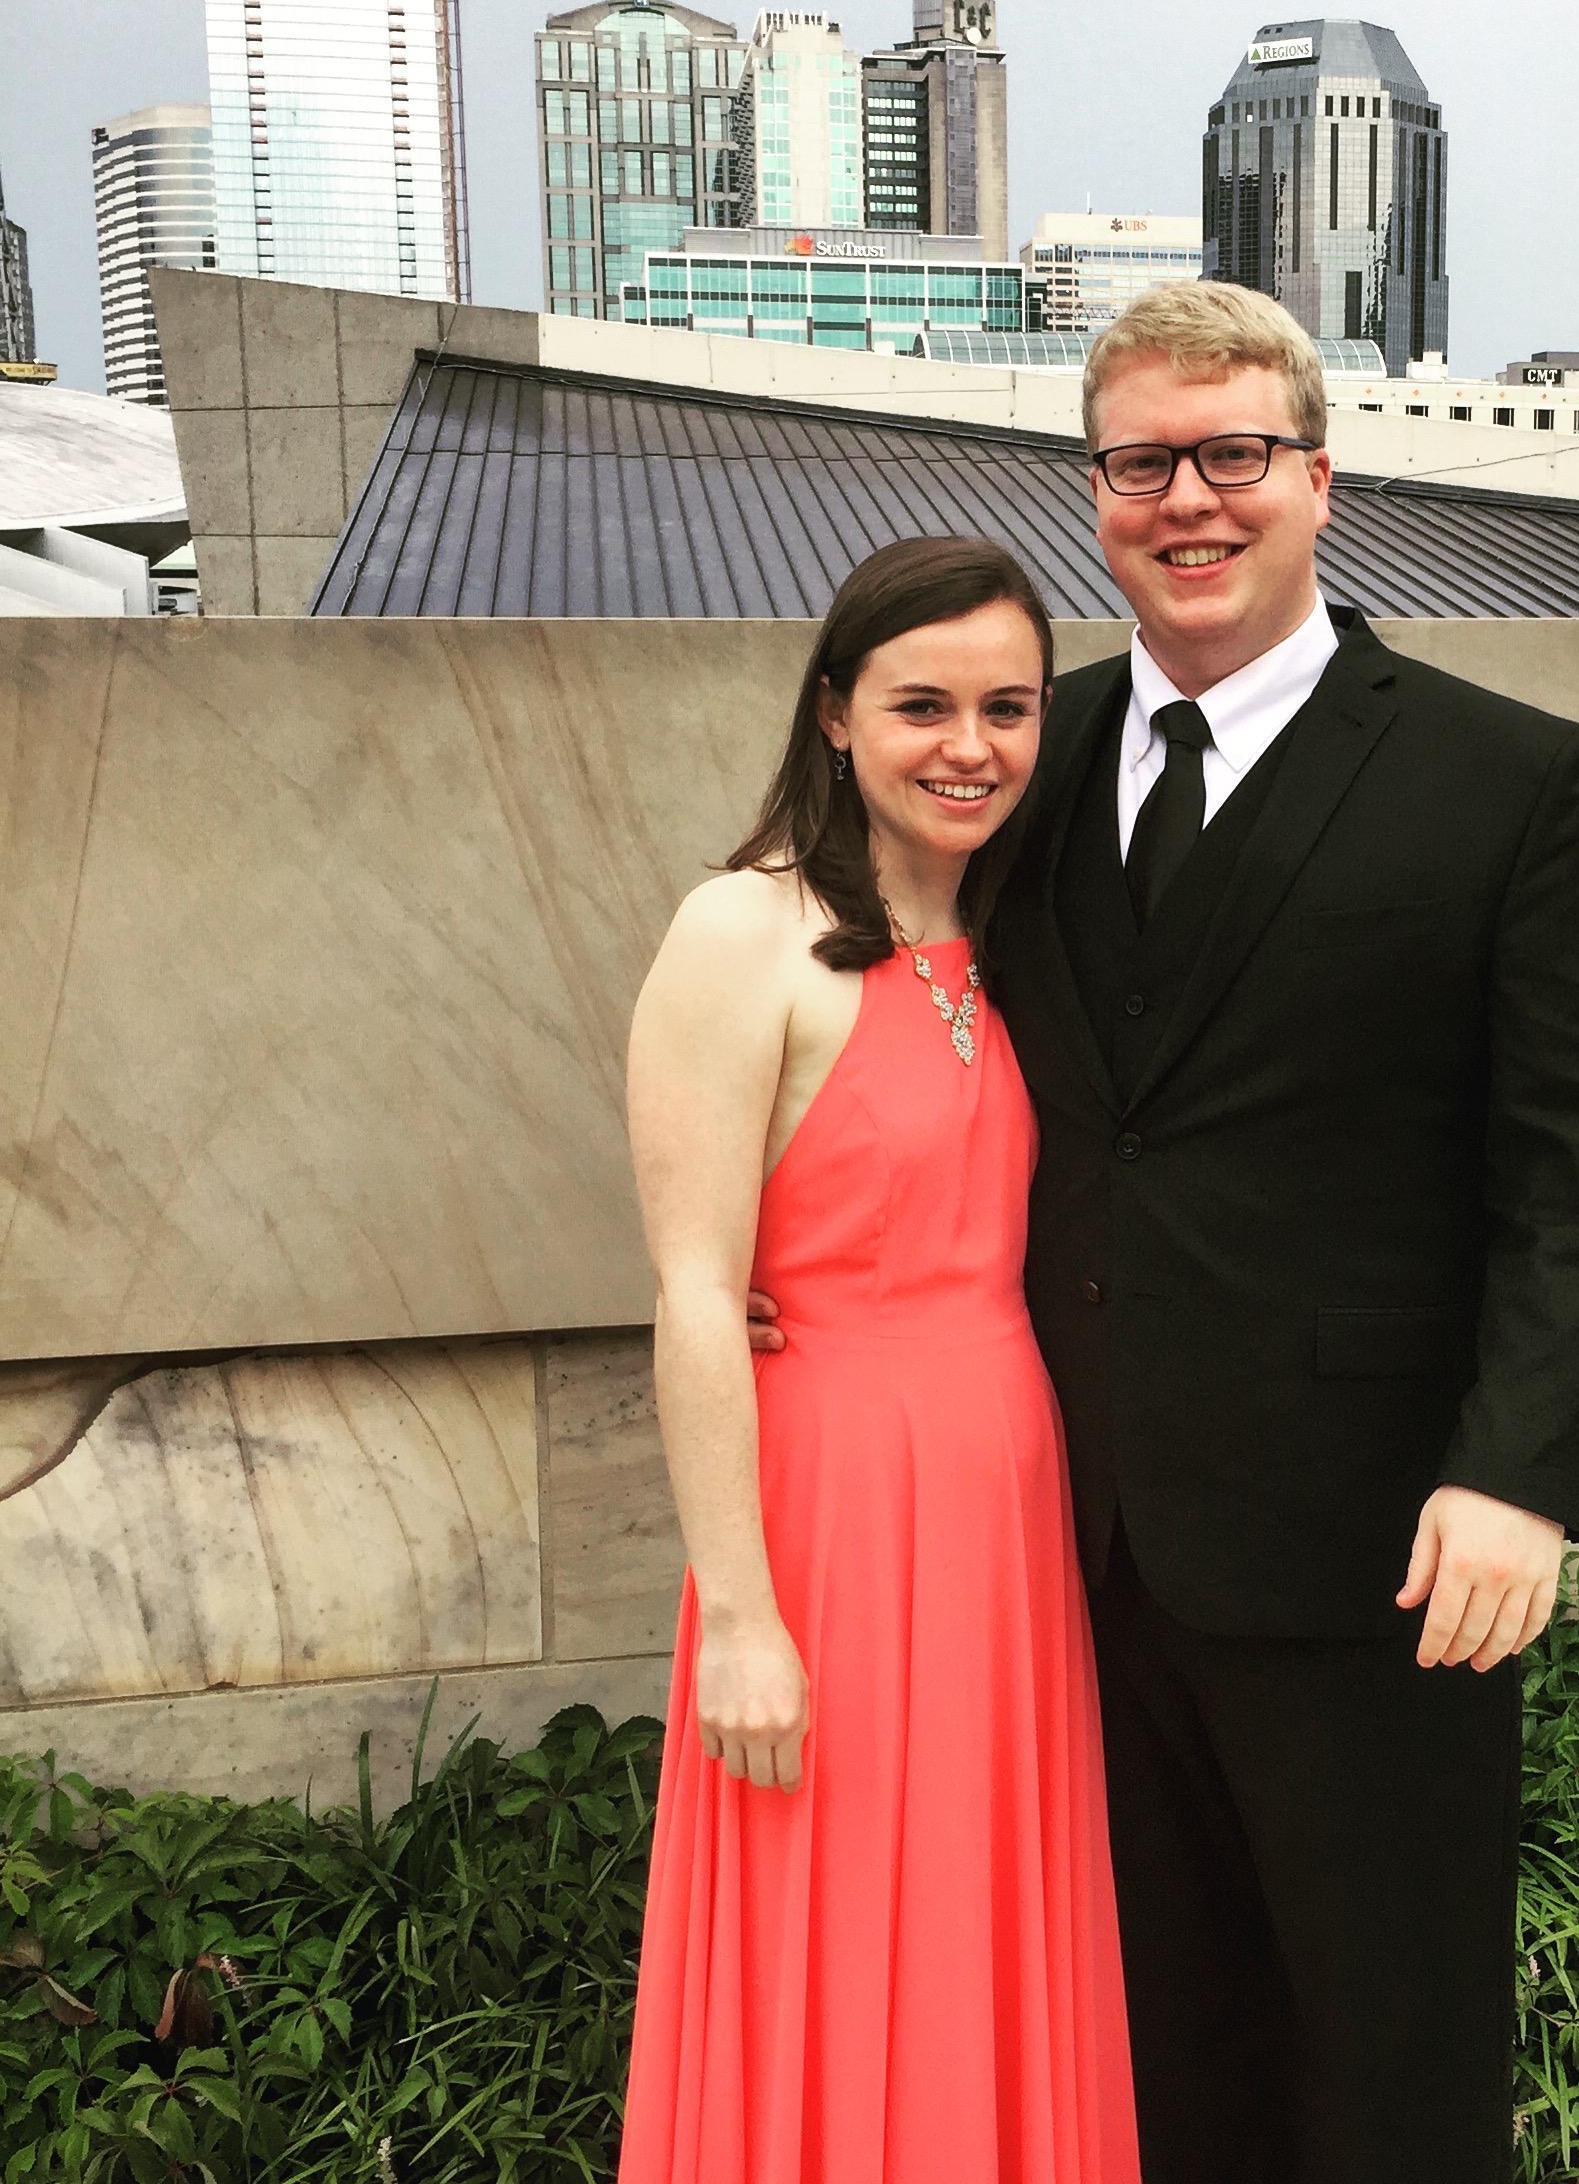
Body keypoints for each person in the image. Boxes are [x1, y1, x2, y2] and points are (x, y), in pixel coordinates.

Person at [751, 281, 1579, 2183]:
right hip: (1062, 1546)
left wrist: (1521, 1478)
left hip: (1374, 1549)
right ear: (1097, 494)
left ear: (1319, 478)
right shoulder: (1024, 753)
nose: (1190, 499)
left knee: (1387, 2053)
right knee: (1147, 2054)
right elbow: (860, 991)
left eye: (1234, 454)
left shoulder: (1510, 779)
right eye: (1142, 463)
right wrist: (792, 1271)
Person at [618, 536, 1140, 2184]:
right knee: (830, 1917)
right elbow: (694, 1291)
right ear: (835, 713)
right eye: (923, 706)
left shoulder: (1008, 933)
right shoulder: (743, 930)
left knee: (986, 1920)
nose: (968, 746)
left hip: (1005, 1512)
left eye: (1008, 708)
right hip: (831, 1516)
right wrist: (740, 1618)